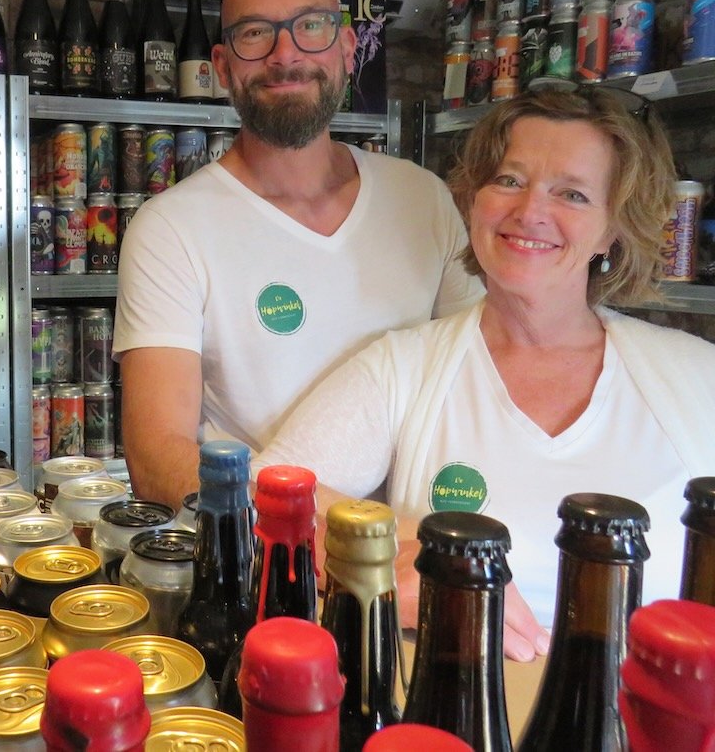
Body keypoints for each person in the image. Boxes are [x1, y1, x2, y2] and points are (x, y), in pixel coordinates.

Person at [256, 87, 715, 660]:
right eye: (509, 180)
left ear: (612, 230)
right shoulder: (406, 367)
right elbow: (259, 494)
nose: (530, 211)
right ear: (474, 201)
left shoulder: (698, 378)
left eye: (571, 193)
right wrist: (370, 564)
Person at [113, 0, 482, 509]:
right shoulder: (170, 230)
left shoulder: (423, 199)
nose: (285, 54)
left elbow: (477, 378)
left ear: (348, 47)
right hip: (266, 552)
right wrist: (341, 530)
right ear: (222, 66)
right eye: (255, 33)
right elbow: (157, 457)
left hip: (415, 548)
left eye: (311, 25)